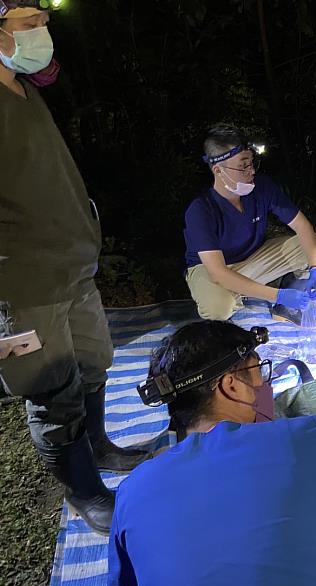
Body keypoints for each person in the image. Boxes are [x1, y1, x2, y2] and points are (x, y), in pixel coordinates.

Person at [108, 320, 316, 586]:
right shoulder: (302, 436)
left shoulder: (132, 490)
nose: (263, 385)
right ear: (231, 384)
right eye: (258, 371)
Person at [0, 1, 150, 536]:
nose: (43, 32)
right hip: (24, 282)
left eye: (45, 22)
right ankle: (85, 492)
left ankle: (100, 447)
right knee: (52, 388)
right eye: (29, 24)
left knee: (93, 360)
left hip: (73, 266)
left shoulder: (26, 88)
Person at [184, 125, 316, 324]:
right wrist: (276, 294)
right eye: (243, 166)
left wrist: (315, 270)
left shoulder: (261, 187)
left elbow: (302, 226)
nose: (251, 171)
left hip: (253, 259)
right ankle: (229, 298)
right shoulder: (201, 209)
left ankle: (287, 299)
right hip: (211, 270)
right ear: (218, 170)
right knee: (218, 307)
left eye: (252, 163)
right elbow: (218, 272)